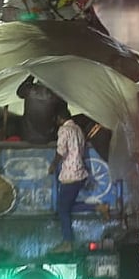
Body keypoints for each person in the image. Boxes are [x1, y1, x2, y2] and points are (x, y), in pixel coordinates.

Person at [50, 106, 89, 253]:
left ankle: (67, 243)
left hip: (70, 175)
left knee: (62, 209)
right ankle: (98, 207)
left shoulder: (64, 130)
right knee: (67, 206)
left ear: (60, 118)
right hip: (80, 172)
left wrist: (53, 165)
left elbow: (61, 151)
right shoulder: (78, 129)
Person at [16, 76, 66, 144]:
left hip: (28, 137)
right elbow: (63, 114)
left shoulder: (30, 90)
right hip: (48, 138)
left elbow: (19, 92)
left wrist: (31, 76)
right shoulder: (56, 94)